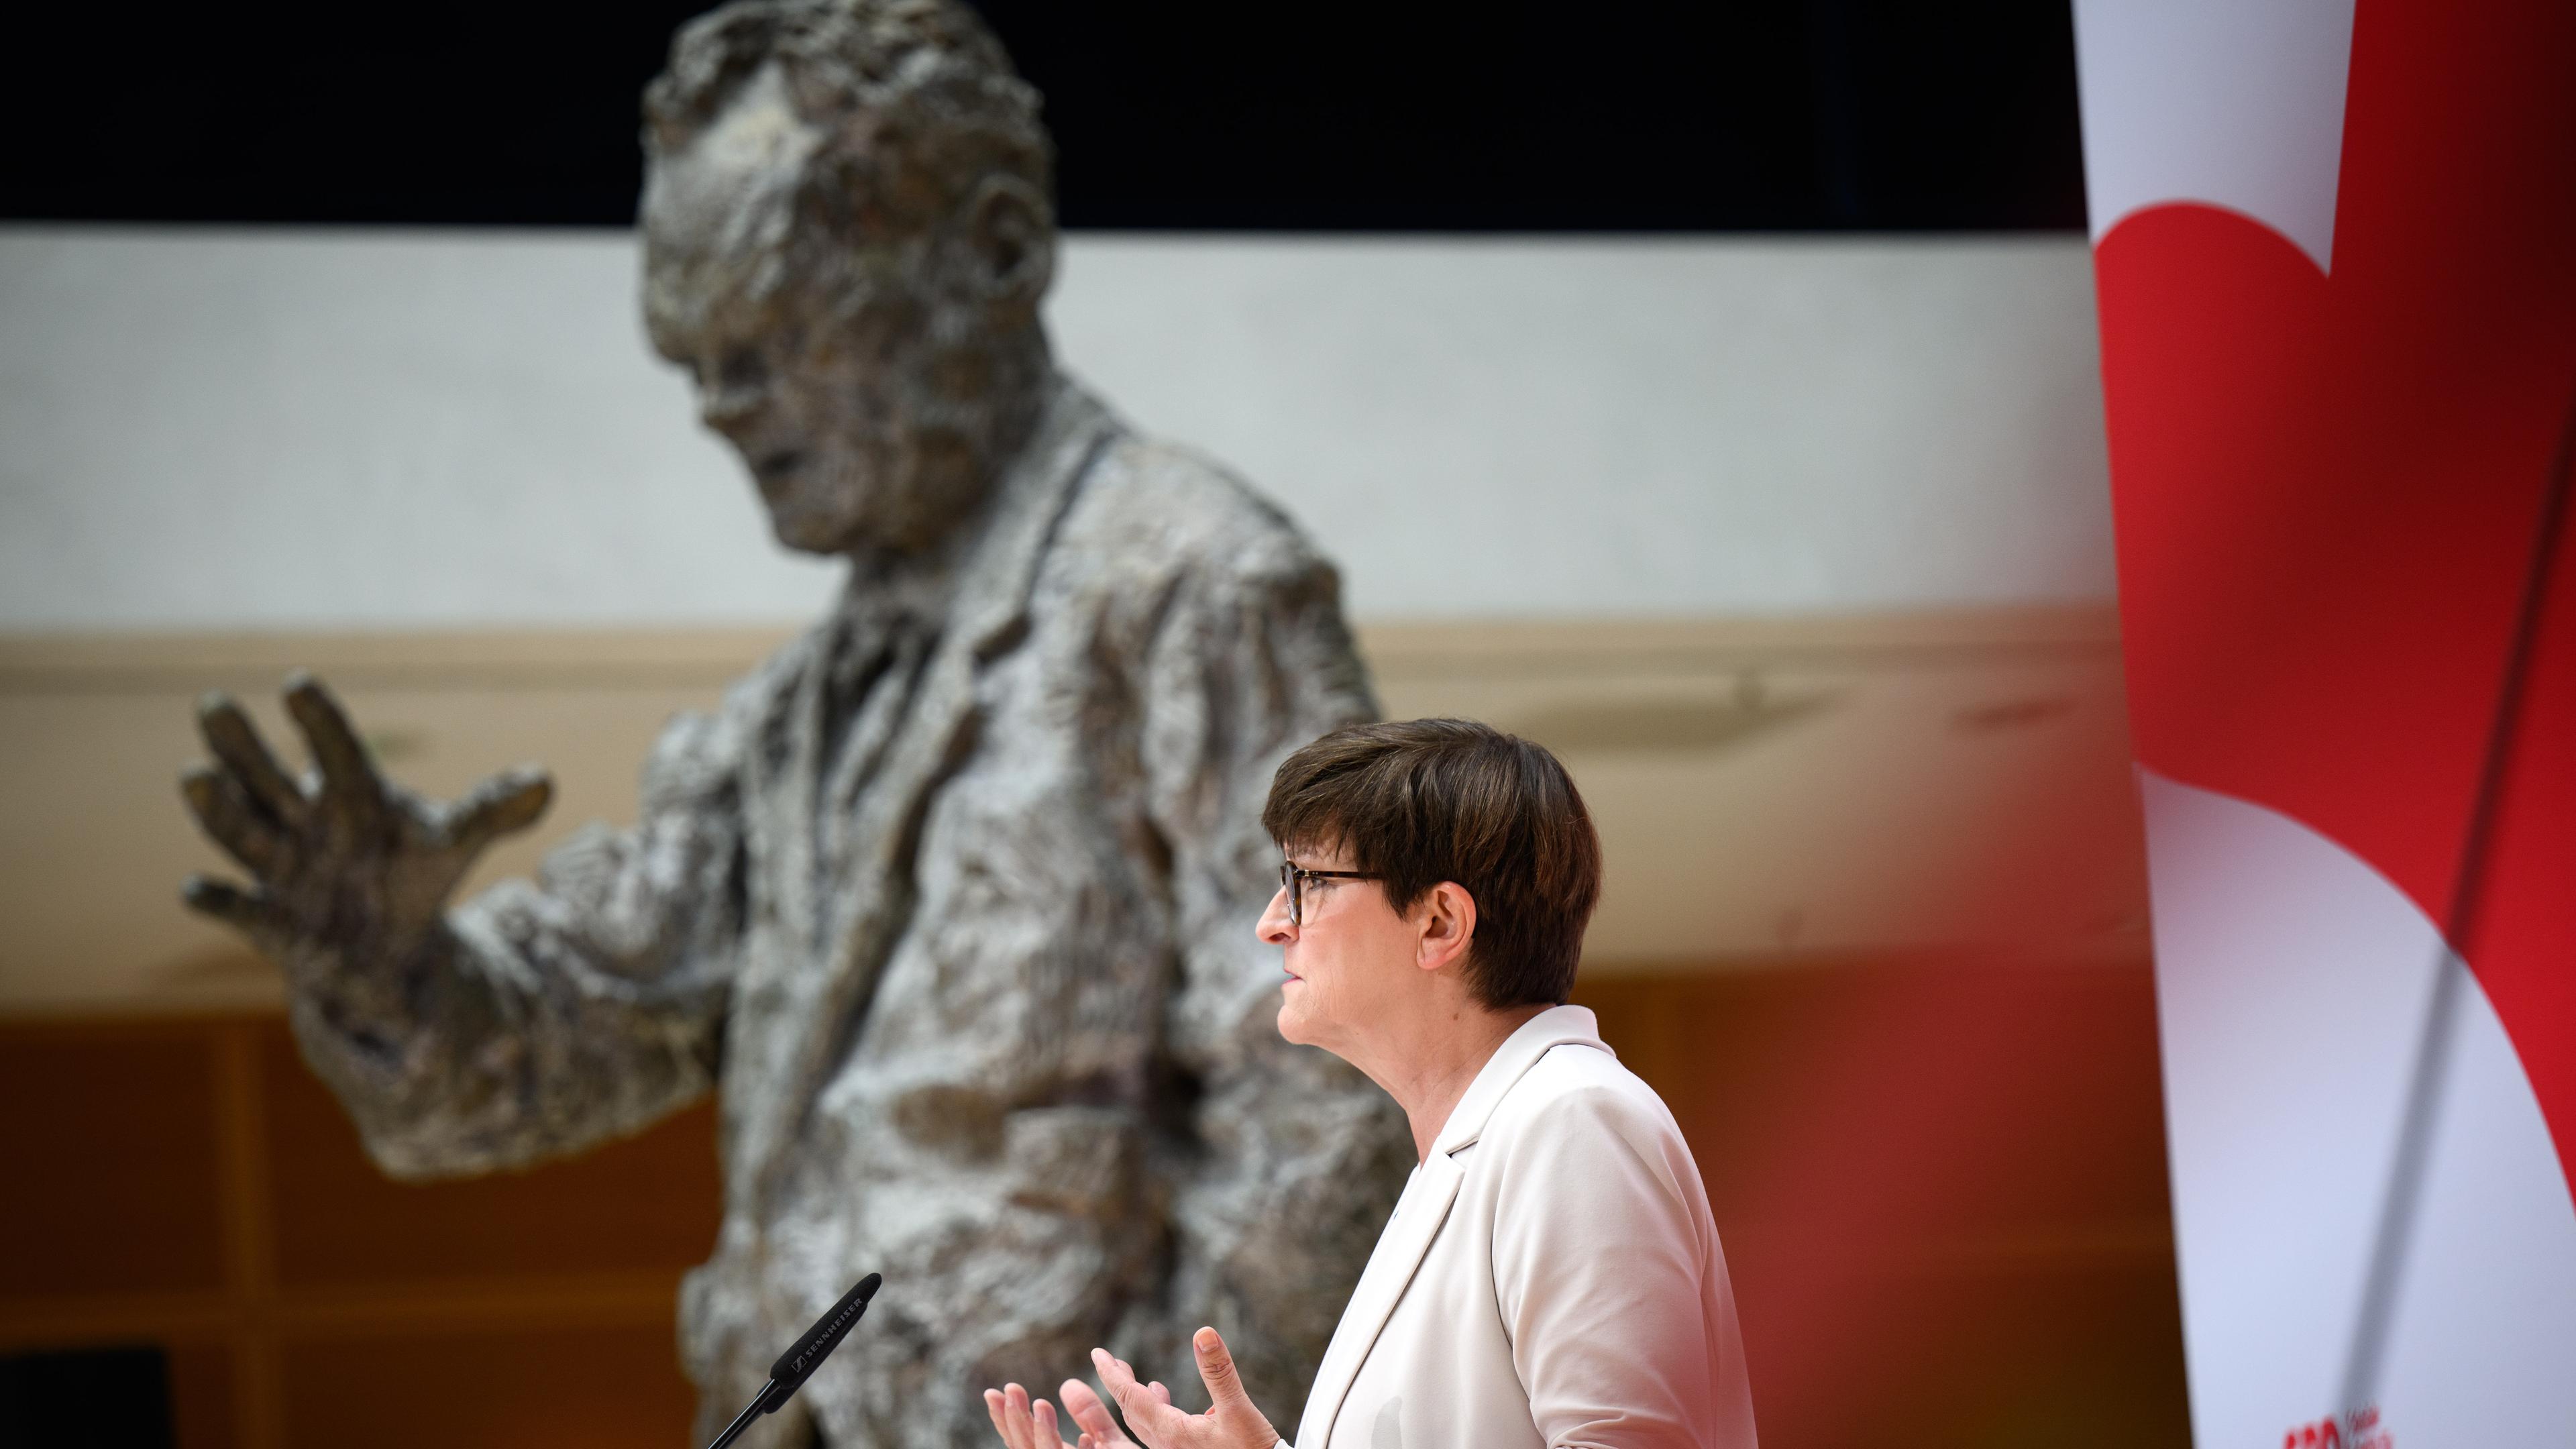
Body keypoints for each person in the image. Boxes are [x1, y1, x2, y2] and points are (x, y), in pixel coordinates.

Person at [170, 2, 1411, 1444]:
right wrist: (389, 971)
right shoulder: (792, 720)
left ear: (998, 252)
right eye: (695, 356)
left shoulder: (1190, 587)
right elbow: (550, 1046)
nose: (720, 404)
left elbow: (1327, 1094)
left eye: (775, 334)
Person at [982, 720, 1760, 1449]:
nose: (1272, 922)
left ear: (1439, 924)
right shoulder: (1475, 1148)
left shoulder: (1572, 1122)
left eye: (1307, 880)